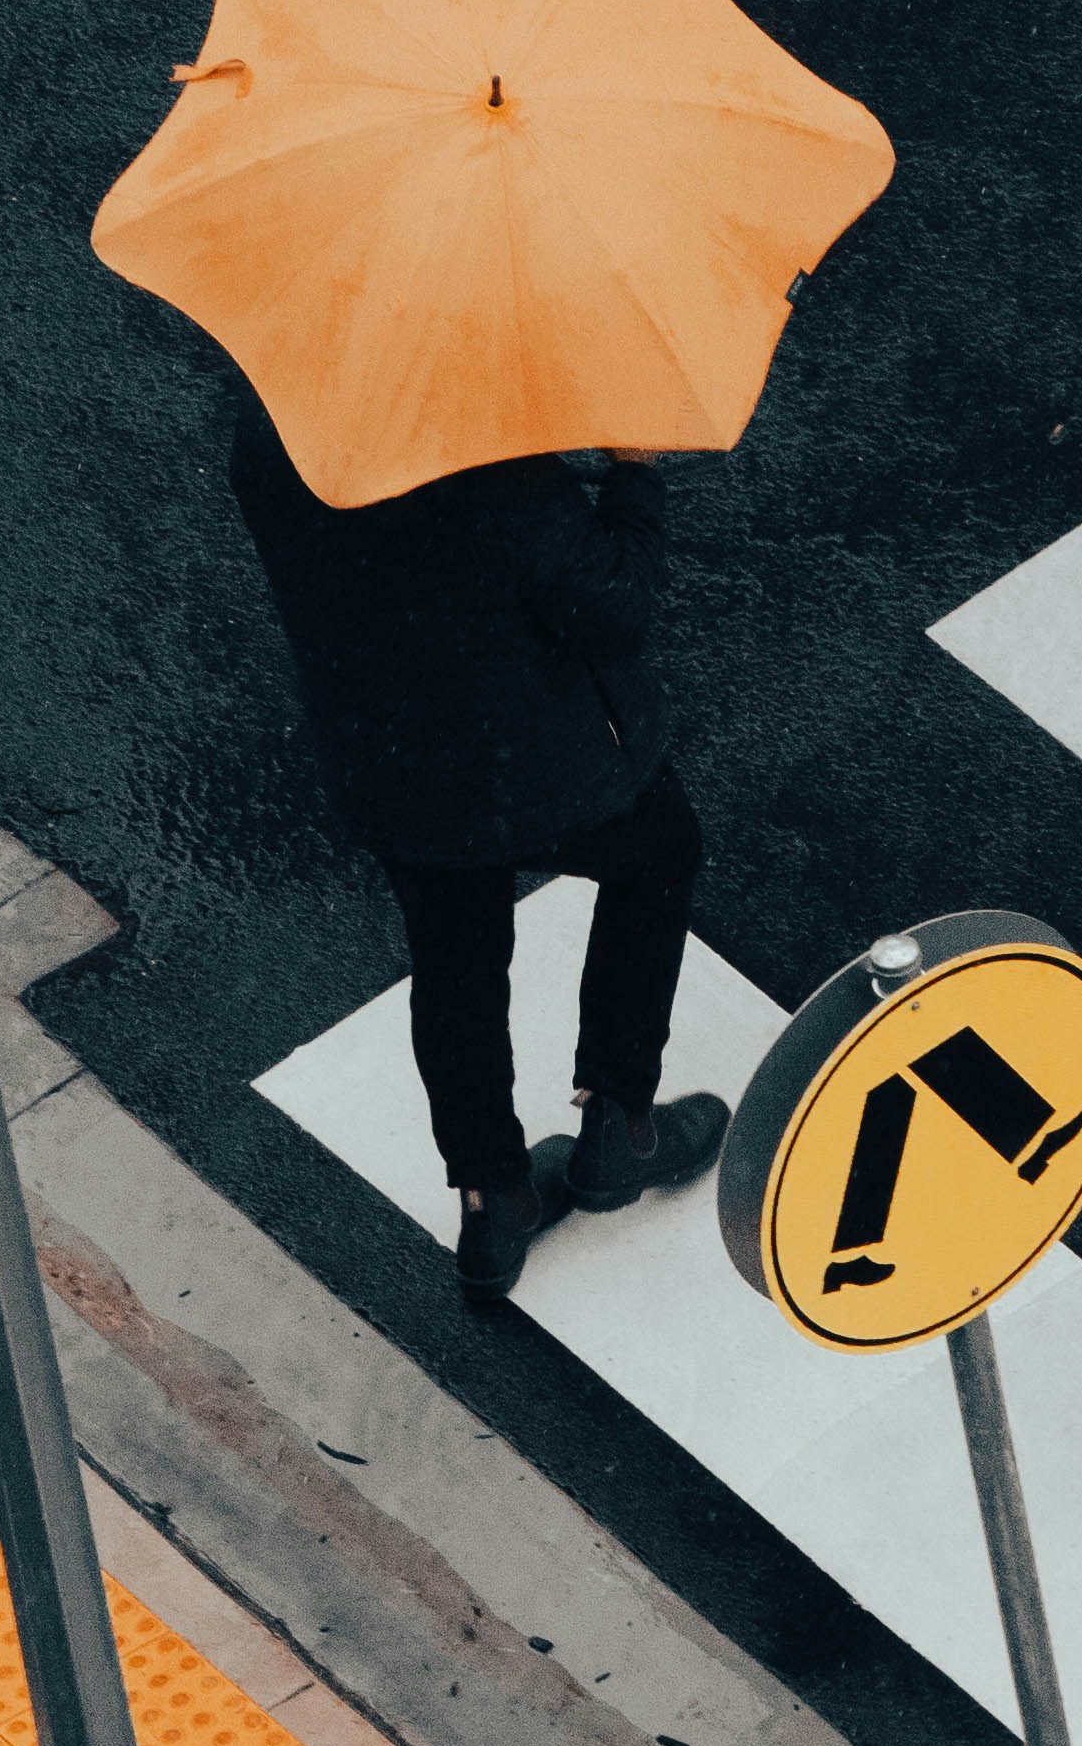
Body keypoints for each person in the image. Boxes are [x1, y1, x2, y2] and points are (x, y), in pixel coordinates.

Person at [227, 391, 730, 1302]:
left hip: (398, 766)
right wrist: (634, 474)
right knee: (658, 857)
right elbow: (613, 604)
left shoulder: (271, 430)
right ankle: (620, 1124)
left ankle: (492, 1203)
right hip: (542, 761)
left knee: (455, 967)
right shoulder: (481, 455)